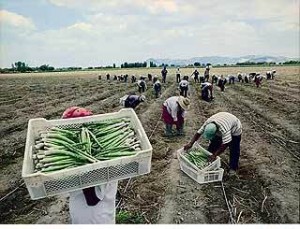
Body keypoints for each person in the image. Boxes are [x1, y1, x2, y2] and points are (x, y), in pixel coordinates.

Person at [62, 106, 118, 224]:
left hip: (94, 217)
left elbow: (92, 199)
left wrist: (83, 164)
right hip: (90, 214)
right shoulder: (102, 155)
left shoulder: (99, 162)